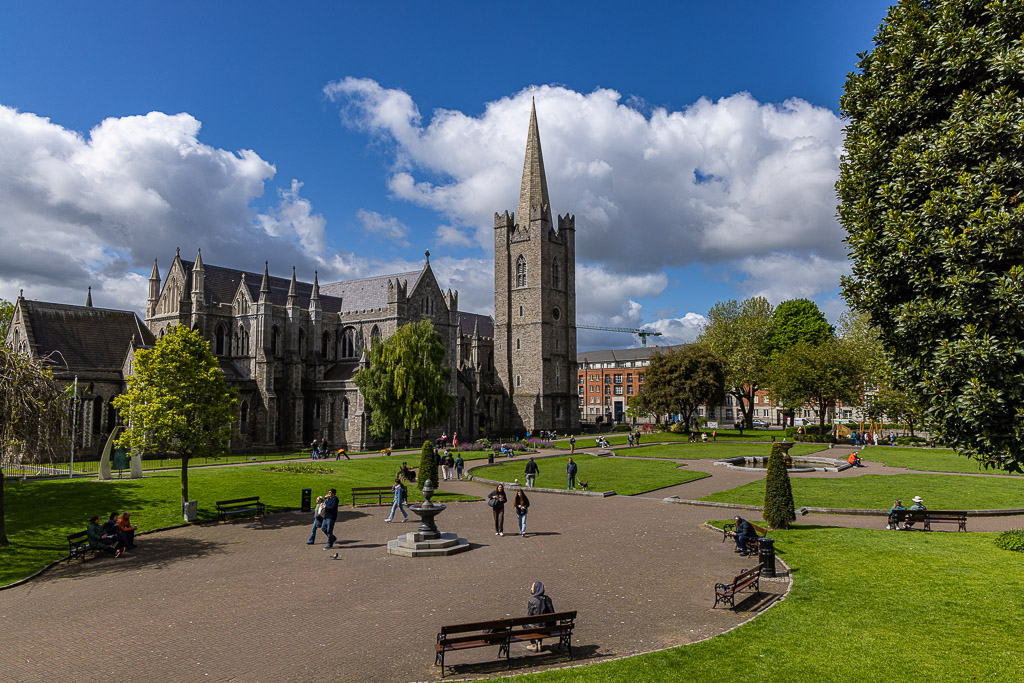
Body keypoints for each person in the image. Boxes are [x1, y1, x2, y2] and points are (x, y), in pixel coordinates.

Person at [525, 581, 555, 652]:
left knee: (525, 624)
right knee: (542, 622)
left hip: (537, 628)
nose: (531, 588)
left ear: (536, 589)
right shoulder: (548, 599)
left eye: (532, 587)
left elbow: (529, 617)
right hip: (548, 628)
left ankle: (534, 644)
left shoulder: (532, 601)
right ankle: (539, 643)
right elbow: (552, 613)